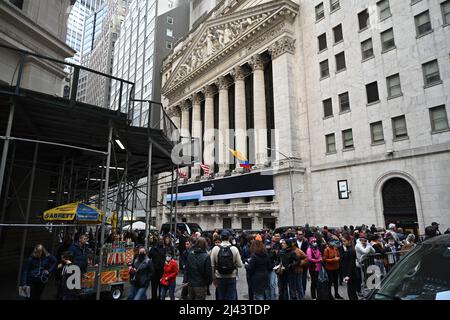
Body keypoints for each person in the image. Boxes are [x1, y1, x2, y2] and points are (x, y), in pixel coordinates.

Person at [210, 230, 243, 300]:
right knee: (231, 297)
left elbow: (212, 265)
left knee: (221, 297)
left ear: (221, 237)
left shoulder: (215, 249)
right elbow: (240, 265)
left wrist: (213, 278)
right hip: (231, 276)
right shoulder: (234, 249)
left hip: (219, 276)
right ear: (229, 238)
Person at [342, 234, 358, 300]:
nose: (343, 243)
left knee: (351, 293)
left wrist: (347, 275)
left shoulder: (351, 250)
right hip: (350, 274)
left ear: (349, 241)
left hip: (351, 275)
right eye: (342, 241)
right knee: (351, 293)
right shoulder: (349, 249)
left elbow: (351, 264)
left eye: (344, 241)